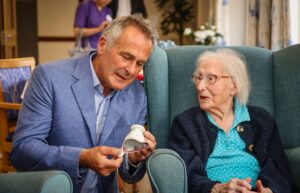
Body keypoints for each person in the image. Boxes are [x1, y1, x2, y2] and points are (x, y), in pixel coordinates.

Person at [11, 14, 158, 193]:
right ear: (103, 45)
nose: (131, 70)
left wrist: (133, 159)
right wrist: (81, 158)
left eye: (139, 64)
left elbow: (127, 173)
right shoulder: (48, 77)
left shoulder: (137, 95)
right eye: (126, 57)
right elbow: (22, 150)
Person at [168, 49, 291, 193]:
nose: (200, 87)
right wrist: (218, 188)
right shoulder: (185, 123)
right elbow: (186, 172)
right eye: (198, 77)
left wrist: (268, 190)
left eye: (211, 78)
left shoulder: (261, 120)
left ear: (234, 86)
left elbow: (278, 167)